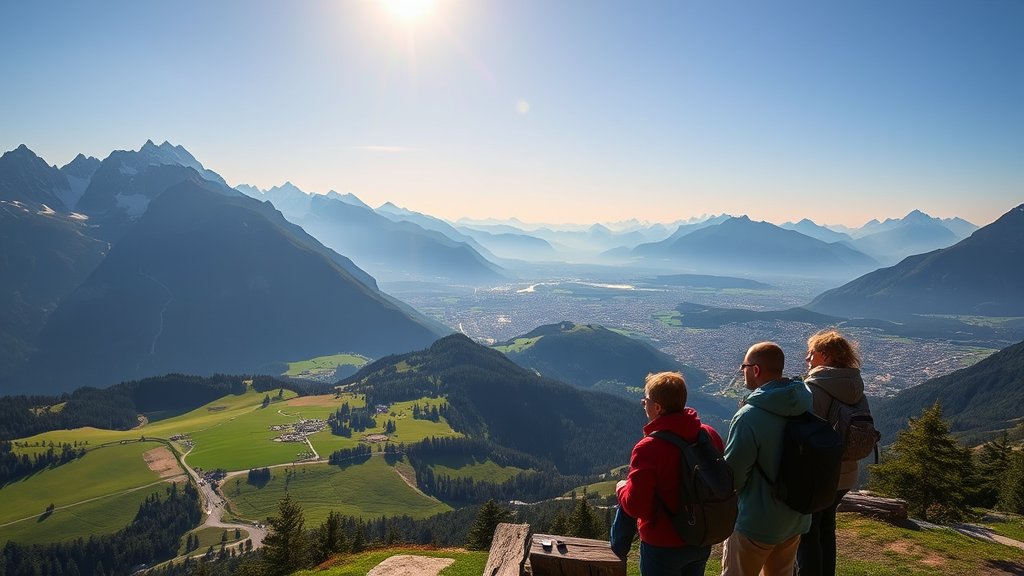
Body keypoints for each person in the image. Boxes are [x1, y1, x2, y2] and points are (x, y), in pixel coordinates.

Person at [613, 371, 725, 576]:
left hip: (663, 544)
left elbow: (636, 506)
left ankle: (617, 547)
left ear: (657, 407)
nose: (643, 404)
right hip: (702, 535)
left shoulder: (648, 448)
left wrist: (621, 489)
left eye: (645, 400)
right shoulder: (709, 434)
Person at [721, 342, 812, 576]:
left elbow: (733, 476)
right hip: (795, 516)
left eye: (744, 367)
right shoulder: (805, 404)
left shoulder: (749, 416)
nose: (742, 371)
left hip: (756, 521)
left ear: (756, 370)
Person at [797, 329, 867, 576]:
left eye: (811, 353)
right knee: (827, 527)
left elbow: (806, 433)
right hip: (847, 472)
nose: (807, 358)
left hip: (821, 474)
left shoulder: (815, 388)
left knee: (808, 533)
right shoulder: (855, 386)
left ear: (825, 356)